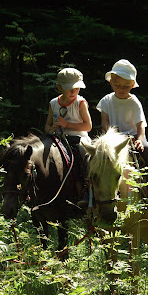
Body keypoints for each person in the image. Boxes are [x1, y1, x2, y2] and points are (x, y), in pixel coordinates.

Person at [96, 59, 148, 197]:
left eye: (126, 86)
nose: (121, 89)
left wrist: (140, 140)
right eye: (118, 85)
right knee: (96, 156)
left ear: (132, 85)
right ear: (111, 82)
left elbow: (140, 124)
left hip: (133, 137)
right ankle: (90, 189)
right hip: (113, 139)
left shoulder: (134, 102)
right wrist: (110, 135)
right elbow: (104, 122)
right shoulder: (106, 101)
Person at [44, 67, 92, 206]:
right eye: (70, 88)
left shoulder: (80, 103)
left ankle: (87, 189)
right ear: (59, 87)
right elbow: (47, 126)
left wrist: (67, 124)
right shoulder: (53, 103)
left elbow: (88, 126)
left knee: (85, 155)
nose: (74, 92)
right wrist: (51, 129)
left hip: (78, 138)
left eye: (77, 88)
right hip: (57, 139)